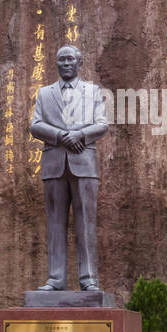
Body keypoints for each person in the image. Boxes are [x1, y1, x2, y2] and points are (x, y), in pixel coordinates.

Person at [29, 46, 108, 291]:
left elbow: (102, 124)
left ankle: (88, 279)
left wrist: (80, 135)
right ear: (56, 63)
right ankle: (55, 279)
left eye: (70, 59)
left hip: (84, 164)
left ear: (79, 62)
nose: (65, 63)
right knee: (55, 223)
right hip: (54, 165)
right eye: (61, 59)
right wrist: (61, 136)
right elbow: (36, 125)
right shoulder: (44, 93)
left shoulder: (93, 91)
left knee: (86, 223)